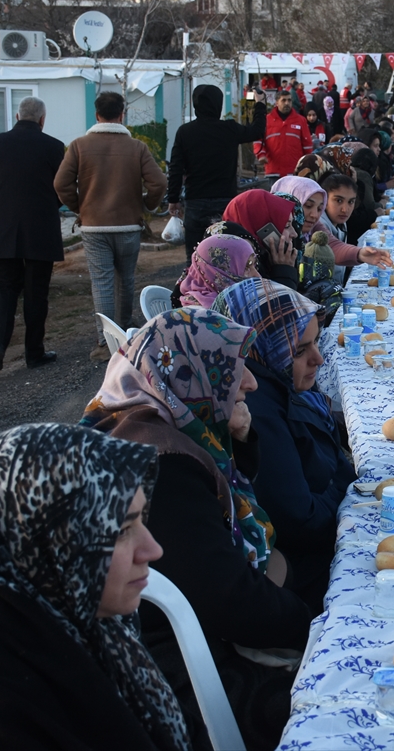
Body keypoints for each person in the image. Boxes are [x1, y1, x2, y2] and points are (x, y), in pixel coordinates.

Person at [0, 423, 190, 749]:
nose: (153, 549)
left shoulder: (68, 622)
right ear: (43, 544)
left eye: (141, 520)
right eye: (121, 530)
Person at [80, 309, 312, 748]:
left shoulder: (153, 414)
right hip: (173, 665)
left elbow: (221, 516)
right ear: (189, 372)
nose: (251, 382)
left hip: (185, 631)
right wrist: (318, 624)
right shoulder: (164, 469)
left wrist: (237, 441)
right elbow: (230, 600)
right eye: (233, 368)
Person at [214, 279, 355, 614]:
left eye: (316, 342)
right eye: (299, 351)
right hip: (306, 569)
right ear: (262, 346)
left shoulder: (280, 385)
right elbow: (300, 520)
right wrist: (349, 486)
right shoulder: (256, 409)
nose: (318, 360)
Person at [54, 91, 167, 360]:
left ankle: (105, 344)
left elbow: (60, 184)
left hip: (94, 227)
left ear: (96, 115)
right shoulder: (137, 147)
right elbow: (159, 183)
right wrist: (147, 205)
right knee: (125, 279)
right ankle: (126, 333)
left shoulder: (79, 146)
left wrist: (80, 207)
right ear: (121, 114)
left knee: (102, 282)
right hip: (129, 225)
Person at [0, 95, 65, 372]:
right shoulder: (54, 147)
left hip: (6, 229)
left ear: (17, 117)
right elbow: (61, 187)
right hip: (42, 230)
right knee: (36, 292)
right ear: (43, 120)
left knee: (5, 289)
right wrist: (47, 205)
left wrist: (7, 206)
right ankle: (34, 352)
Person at [167, 85, 267, 261]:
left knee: (195, 258)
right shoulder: (229, 129)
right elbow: (256, 131)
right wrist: (259, 105)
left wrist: (173, 199)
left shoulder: (185, 132)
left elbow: (176, 167)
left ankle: (195, 287)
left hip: (195, 201)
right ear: (218, 104)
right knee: (226, 256)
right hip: (225, 202)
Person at [272, 175, 390, 276]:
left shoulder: (315, 226)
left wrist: (360, 254)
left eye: (319, 208)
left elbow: (333, 245)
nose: (314, 215)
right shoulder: (271, 240)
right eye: (307, 206)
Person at [222, 189, 302, 290]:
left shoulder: (267, 259)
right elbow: (282, 304)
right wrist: (283, 271)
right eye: (286, 226)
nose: (294, 234)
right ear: (261, 228)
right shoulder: (241, 268)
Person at [176, 234, 259, 309]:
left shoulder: (240, 303)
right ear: (216, 272)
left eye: (254, 264)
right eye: (246, 267)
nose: (258, 276)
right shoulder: (205, 316)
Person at [256, 91, 312, 177]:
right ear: (277, 102)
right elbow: (258, 140)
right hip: (273, 172)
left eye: (289, 100)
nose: (287, 103)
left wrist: (308, 164)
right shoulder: (267, 120)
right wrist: (261, 155)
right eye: (283, 100)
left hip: (294, 171)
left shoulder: (301, 120)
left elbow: (307, 144)